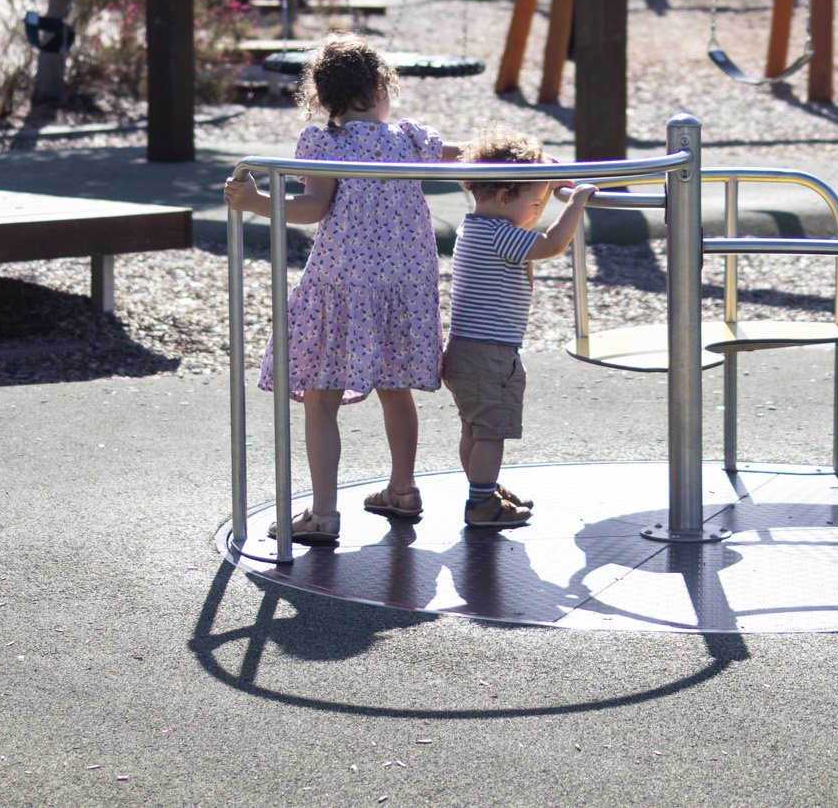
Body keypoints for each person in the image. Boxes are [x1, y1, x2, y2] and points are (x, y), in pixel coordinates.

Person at [223, 35, 458, 546]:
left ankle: (324, 513)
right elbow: (463, 159)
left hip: (342, 283)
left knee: (319, 397)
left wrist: (257, 201)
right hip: (404, 282)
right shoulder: (409, 138)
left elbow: (313, 208)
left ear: (324, 98)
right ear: (381, 86)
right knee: (395, 390)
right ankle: (402, 488)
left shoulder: (325, 143)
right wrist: (517, 160)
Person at [444, 129, 594, 528]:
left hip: (465, 351)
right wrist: (576, 201)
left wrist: (544, 179)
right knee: (491, 432)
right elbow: (549, 245)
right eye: (535, 203)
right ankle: (481, 505)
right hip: (489, 354)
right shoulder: (500, 234)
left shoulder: (476, 226)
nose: (537, 211)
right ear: (504, 196)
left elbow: (527, 223)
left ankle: (483, 490)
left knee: (475, 431)